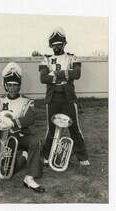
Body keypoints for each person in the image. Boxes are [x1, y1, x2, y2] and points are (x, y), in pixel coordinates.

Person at [0, 62, 45, 193]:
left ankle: (29, 177)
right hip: (5, 139)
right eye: (10, 85)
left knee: (36, 141)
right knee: (4, 174)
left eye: (15, 85)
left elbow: (30, 118)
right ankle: (24, 158)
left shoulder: (27, 101)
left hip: (22, 135)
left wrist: (13, 123)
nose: (12, 88)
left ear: (19, 86)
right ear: (5, 85)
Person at [39, 27, 90, 167]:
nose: (57, 47)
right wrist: (66, 74)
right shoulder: (46, 59)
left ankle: (82, 157)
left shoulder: (72, 57)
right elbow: (43, 78)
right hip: (52, 98)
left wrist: (56, 74)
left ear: (64, 43)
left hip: (68, 98)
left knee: (74, 128)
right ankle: (46, 155)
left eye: (59, 44)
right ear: (51, 45)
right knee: (51, 128)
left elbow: (77, 74)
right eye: (54, 44)